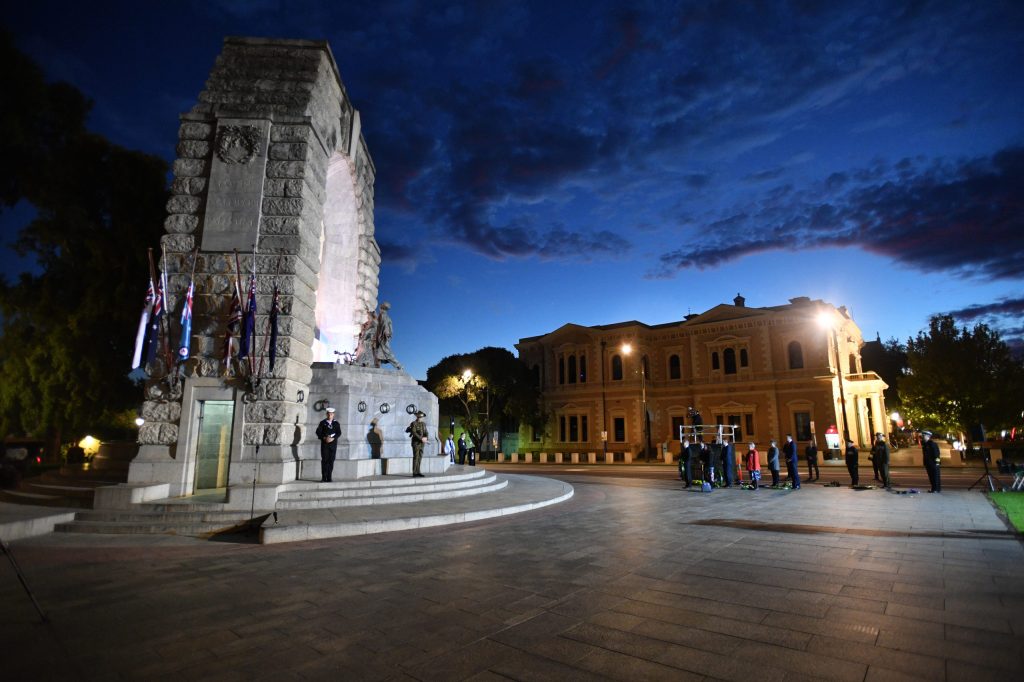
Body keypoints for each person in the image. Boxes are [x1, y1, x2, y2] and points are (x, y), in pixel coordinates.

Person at [374, 302, 403, 370]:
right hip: (382, 337)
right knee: (378, 353)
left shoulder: (382, 315)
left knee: (387, 353)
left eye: (380, 307)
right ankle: (377, 366)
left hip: (383, 337)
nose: (379, 308)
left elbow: (384, 325)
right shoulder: (385, 316)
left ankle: (399, 365)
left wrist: (384, 333)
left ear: (381, 308)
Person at [315, 407, 341, 482]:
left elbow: (339, 433)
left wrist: (333, 438)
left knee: (331, 460)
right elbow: (318, 432)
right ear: (326, 414)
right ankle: (324, 477)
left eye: (331, 414)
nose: (330, 416)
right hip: (325, 445)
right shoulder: (322, 423)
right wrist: (324, 438)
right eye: (329, 414)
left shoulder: (336, 423)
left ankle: (329, 477)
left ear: (333, 415)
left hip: (333, 445)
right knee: (324, 460)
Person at [405, 410, 428, 477]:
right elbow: (414, 432)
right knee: (416, 457)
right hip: (416, 443)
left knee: (420, 457)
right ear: (417, 417)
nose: (420, 418)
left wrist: (426, 438)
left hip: (422, 443)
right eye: (419, 417)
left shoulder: (423, 424)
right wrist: (421, 438)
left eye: (421, 417)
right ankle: (414, 472)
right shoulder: (414, 423)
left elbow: (426, 432)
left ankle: (418, 471)